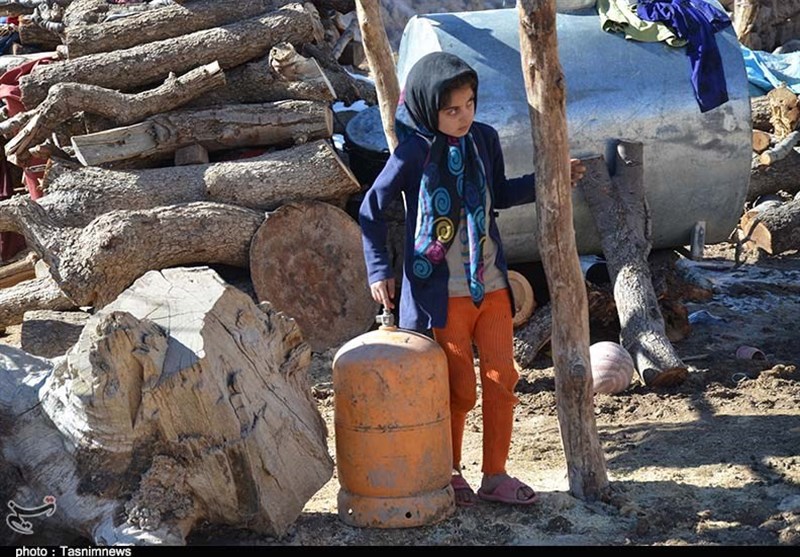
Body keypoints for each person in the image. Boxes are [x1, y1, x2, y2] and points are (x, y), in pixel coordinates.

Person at [358, 51, 586, 507]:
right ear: (429, 109)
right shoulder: (414, 151)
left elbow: (499, 192)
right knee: (458, 389)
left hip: (492, 286)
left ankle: (495, 475)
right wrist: (379, 269)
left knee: (503, 379)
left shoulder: (483, 139)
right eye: (452, 110)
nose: (464, 117)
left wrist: (551, 178)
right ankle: (449, 470)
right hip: (442, 295)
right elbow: (371, 209)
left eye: (470, 104)